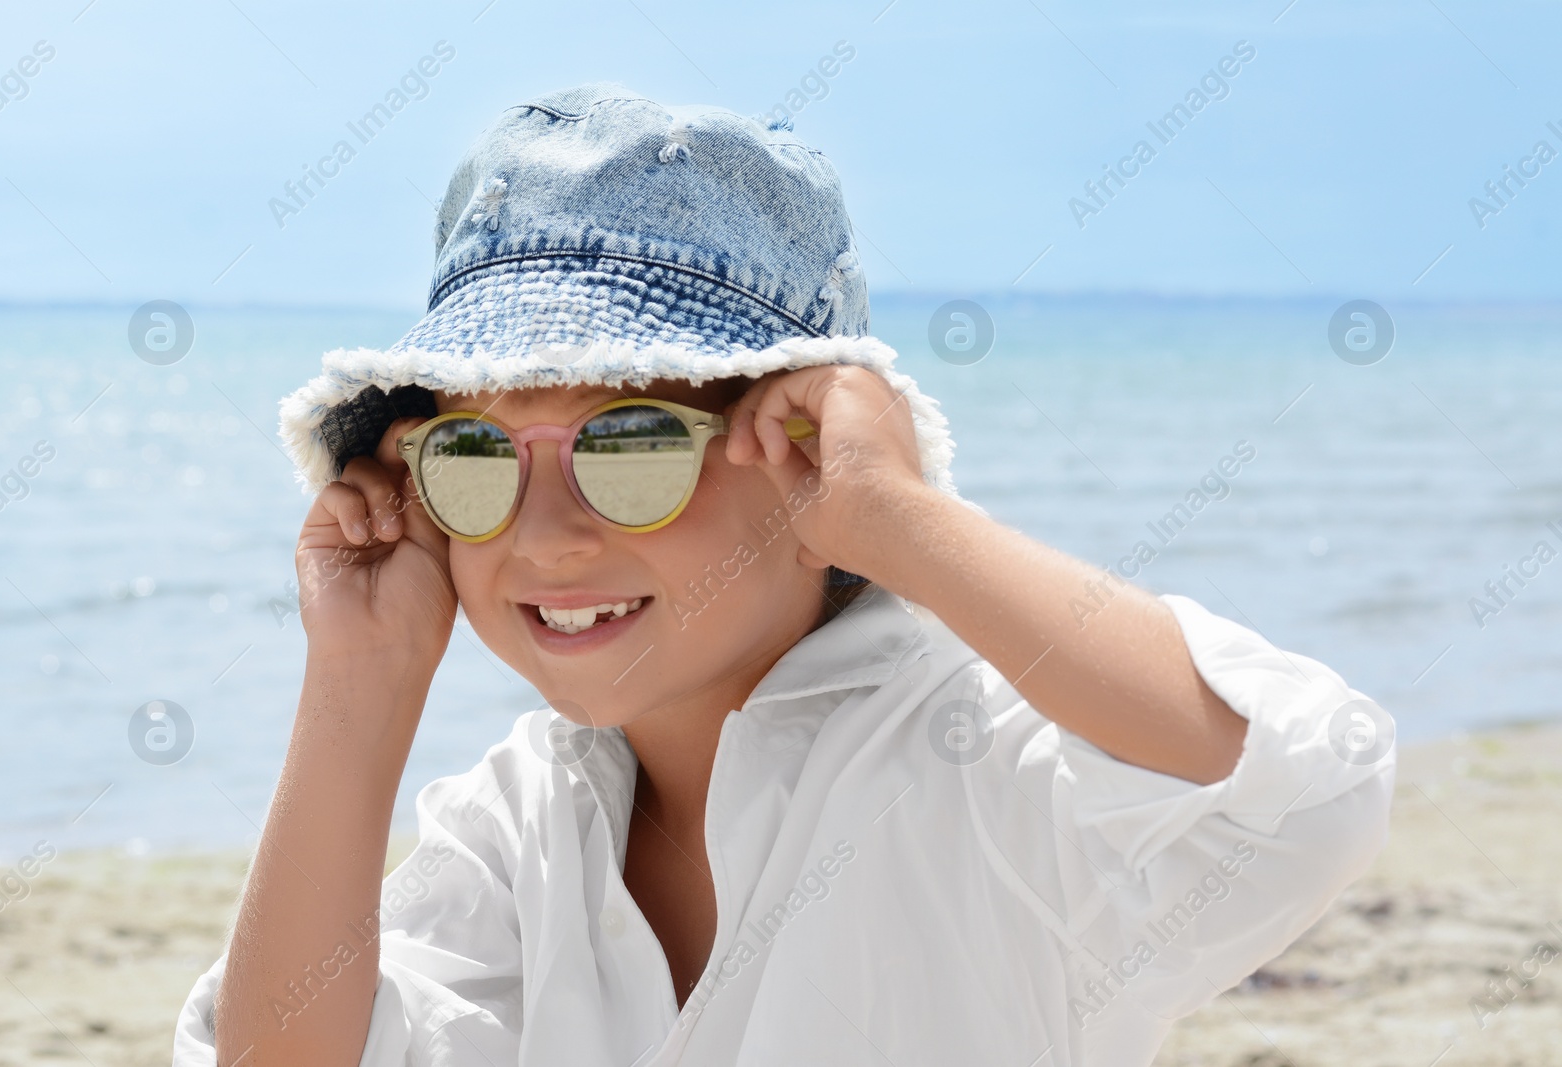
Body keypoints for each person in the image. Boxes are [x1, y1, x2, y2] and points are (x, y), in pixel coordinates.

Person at [173, 82, 1395, 1066]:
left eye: (632, 442)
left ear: (806, 452)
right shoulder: (524, 823)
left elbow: (1299, 782)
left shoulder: (980, 760)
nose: (542, 535)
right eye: (477, 455)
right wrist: (363, 681)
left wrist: (907, 521)